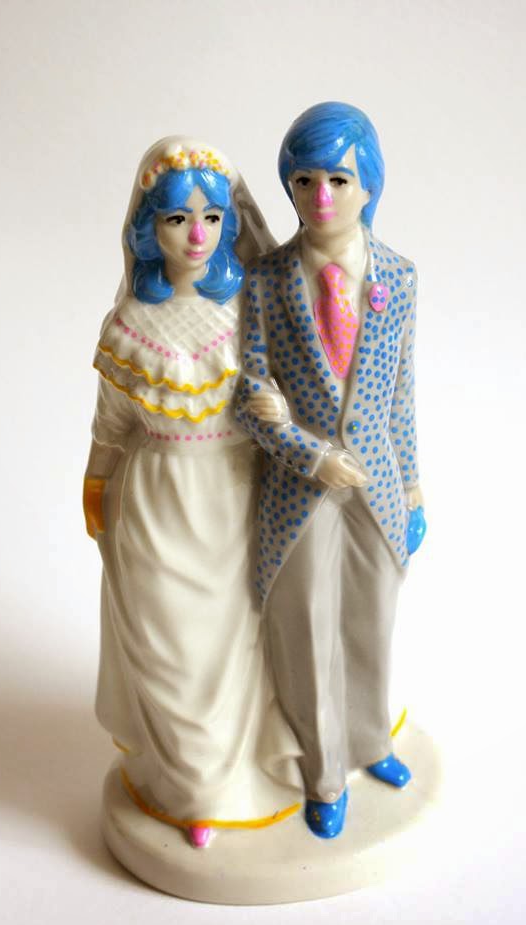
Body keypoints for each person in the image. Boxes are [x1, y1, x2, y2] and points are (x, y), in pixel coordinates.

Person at [83, 137, 301, 849]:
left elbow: (292, 397)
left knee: (233, 648)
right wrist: (95, 480)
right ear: (149, 228)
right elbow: (112, 422)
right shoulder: (129, 325)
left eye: (210, 218)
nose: (197, 235)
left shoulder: (250, 310)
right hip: (155, 504)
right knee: (170, 650)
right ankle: (190, 789)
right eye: (177, 219)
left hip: (237, 498)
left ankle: (232, 783)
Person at [234, 103, 425, 839]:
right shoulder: (265, 280)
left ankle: (371, 741)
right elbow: (252, 395)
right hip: (298, 492)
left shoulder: (398, 277)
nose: (320, 196)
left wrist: (411, 486)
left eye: (338, 179)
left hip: (377, 485)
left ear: (368, 185)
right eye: (305, 180)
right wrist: (311, 456)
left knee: (371, 620)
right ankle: (322, 771)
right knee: (307, 629)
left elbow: (400, 390)